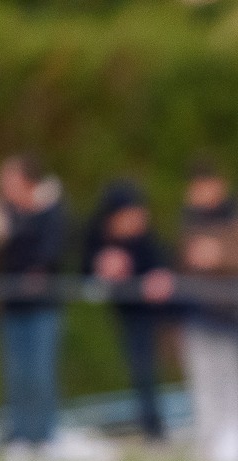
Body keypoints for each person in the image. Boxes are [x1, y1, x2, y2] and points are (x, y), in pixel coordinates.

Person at [178, 161, 238, 461]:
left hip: (231, 312)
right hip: (198, 312)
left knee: (232, 382)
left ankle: (235, 449)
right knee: (202, 383)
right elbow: (181, 260)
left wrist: (218, 255)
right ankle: (207, 447)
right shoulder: (190, 219)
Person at [82, 180, 175, 444]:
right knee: (140, 369)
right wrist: (101, 268)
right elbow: (86, 270)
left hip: (153, 313)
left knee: (148, 369)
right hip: (125, 313)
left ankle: (155, 430)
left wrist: (158, 278)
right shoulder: (98, 237)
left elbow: (161, 264)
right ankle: (150, 429)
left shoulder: (147, 238)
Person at [0, 154, 68, 461]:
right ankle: (20, 437)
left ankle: (45, 438)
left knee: (41, 374)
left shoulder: (51, 212)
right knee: (16, 375)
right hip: (12, 306)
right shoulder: (3, 215)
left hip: (42, 307)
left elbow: (55, 253)